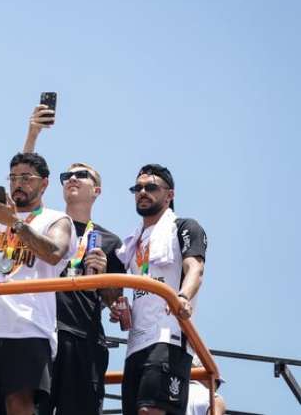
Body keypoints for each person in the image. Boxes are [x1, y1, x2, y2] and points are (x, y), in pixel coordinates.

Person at [0, 152, 76, 415]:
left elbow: (54, 252)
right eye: (13, 177)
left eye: (26, 178)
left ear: (44, 184)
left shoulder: (56, 219)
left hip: (28, 327)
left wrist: (15, 223)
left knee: (19, 405)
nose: (18, 183)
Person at [23, 105, 124, 414]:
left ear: (97, 190)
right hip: (41, 330)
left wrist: (104, 277)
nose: (73, 178)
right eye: (67, 175)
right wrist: (33, 134)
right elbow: (22, 186)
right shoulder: (47, 224)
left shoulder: (110, 241)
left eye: (83, 175)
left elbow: (113, 302)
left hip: (84, 338)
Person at [112, 164, 208, 415]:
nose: (143, 192)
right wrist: (119, 305)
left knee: (150, 412)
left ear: (170, 195)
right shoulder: (131, 242)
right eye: (138, 188)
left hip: (169, 338)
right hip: (135, 344)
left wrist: (183, 296)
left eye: (151, 187)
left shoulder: (184, 226)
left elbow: (195, 268)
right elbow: (120, 284)